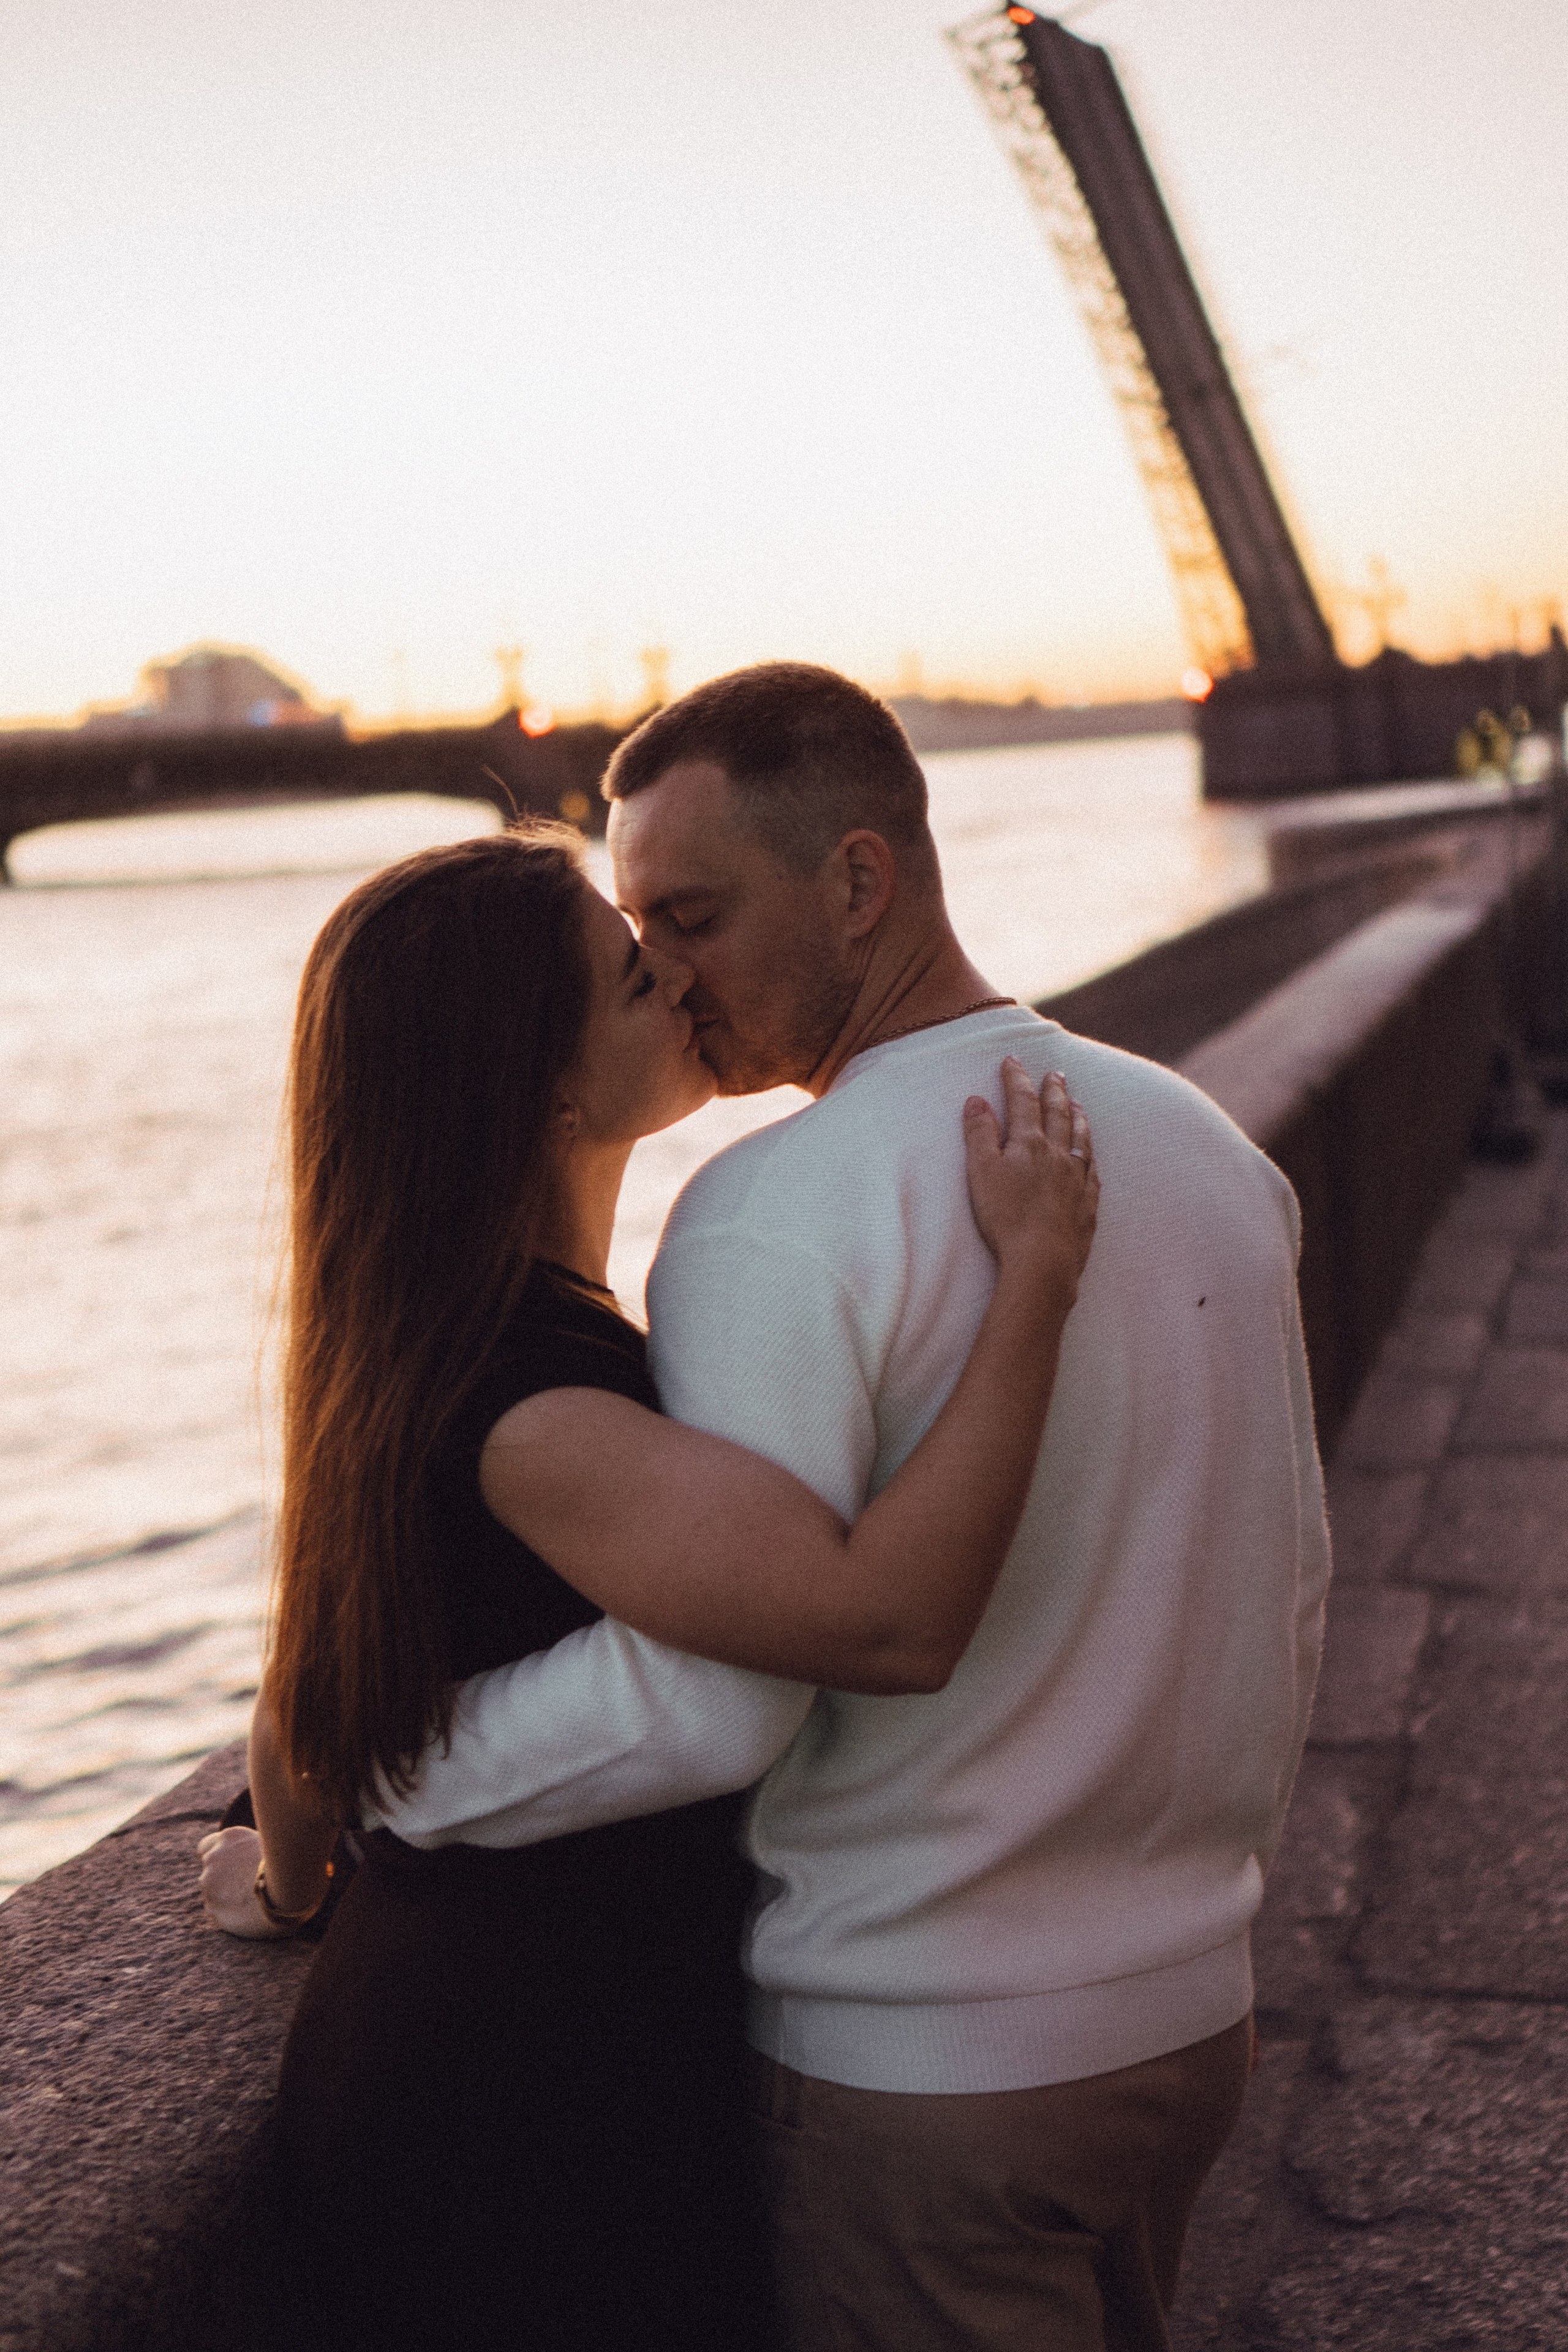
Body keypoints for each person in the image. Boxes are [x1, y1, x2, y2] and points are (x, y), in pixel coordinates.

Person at [365, 663, 1333, 2352]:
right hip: (1188, 2027)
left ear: (861, 881)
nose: (665, 968)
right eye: (639, 928)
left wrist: (388, 1771)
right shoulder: (1206, 1152)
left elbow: (718, 1689)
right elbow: (1289, 1583)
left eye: (697, 913)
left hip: (929, 2061)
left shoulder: (764, 1214)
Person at [197, 821, 1099, 2352]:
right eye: (631, 975)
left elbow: (311, 1684)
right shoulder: (538, 1403)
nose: (677, 976)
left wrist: (289, 1885)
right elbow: (884, 1615)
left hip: (510, 2058)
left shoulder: (433, 1341)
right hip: (523, 2106)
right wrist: (1035, 1286)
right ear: (538, 1085)